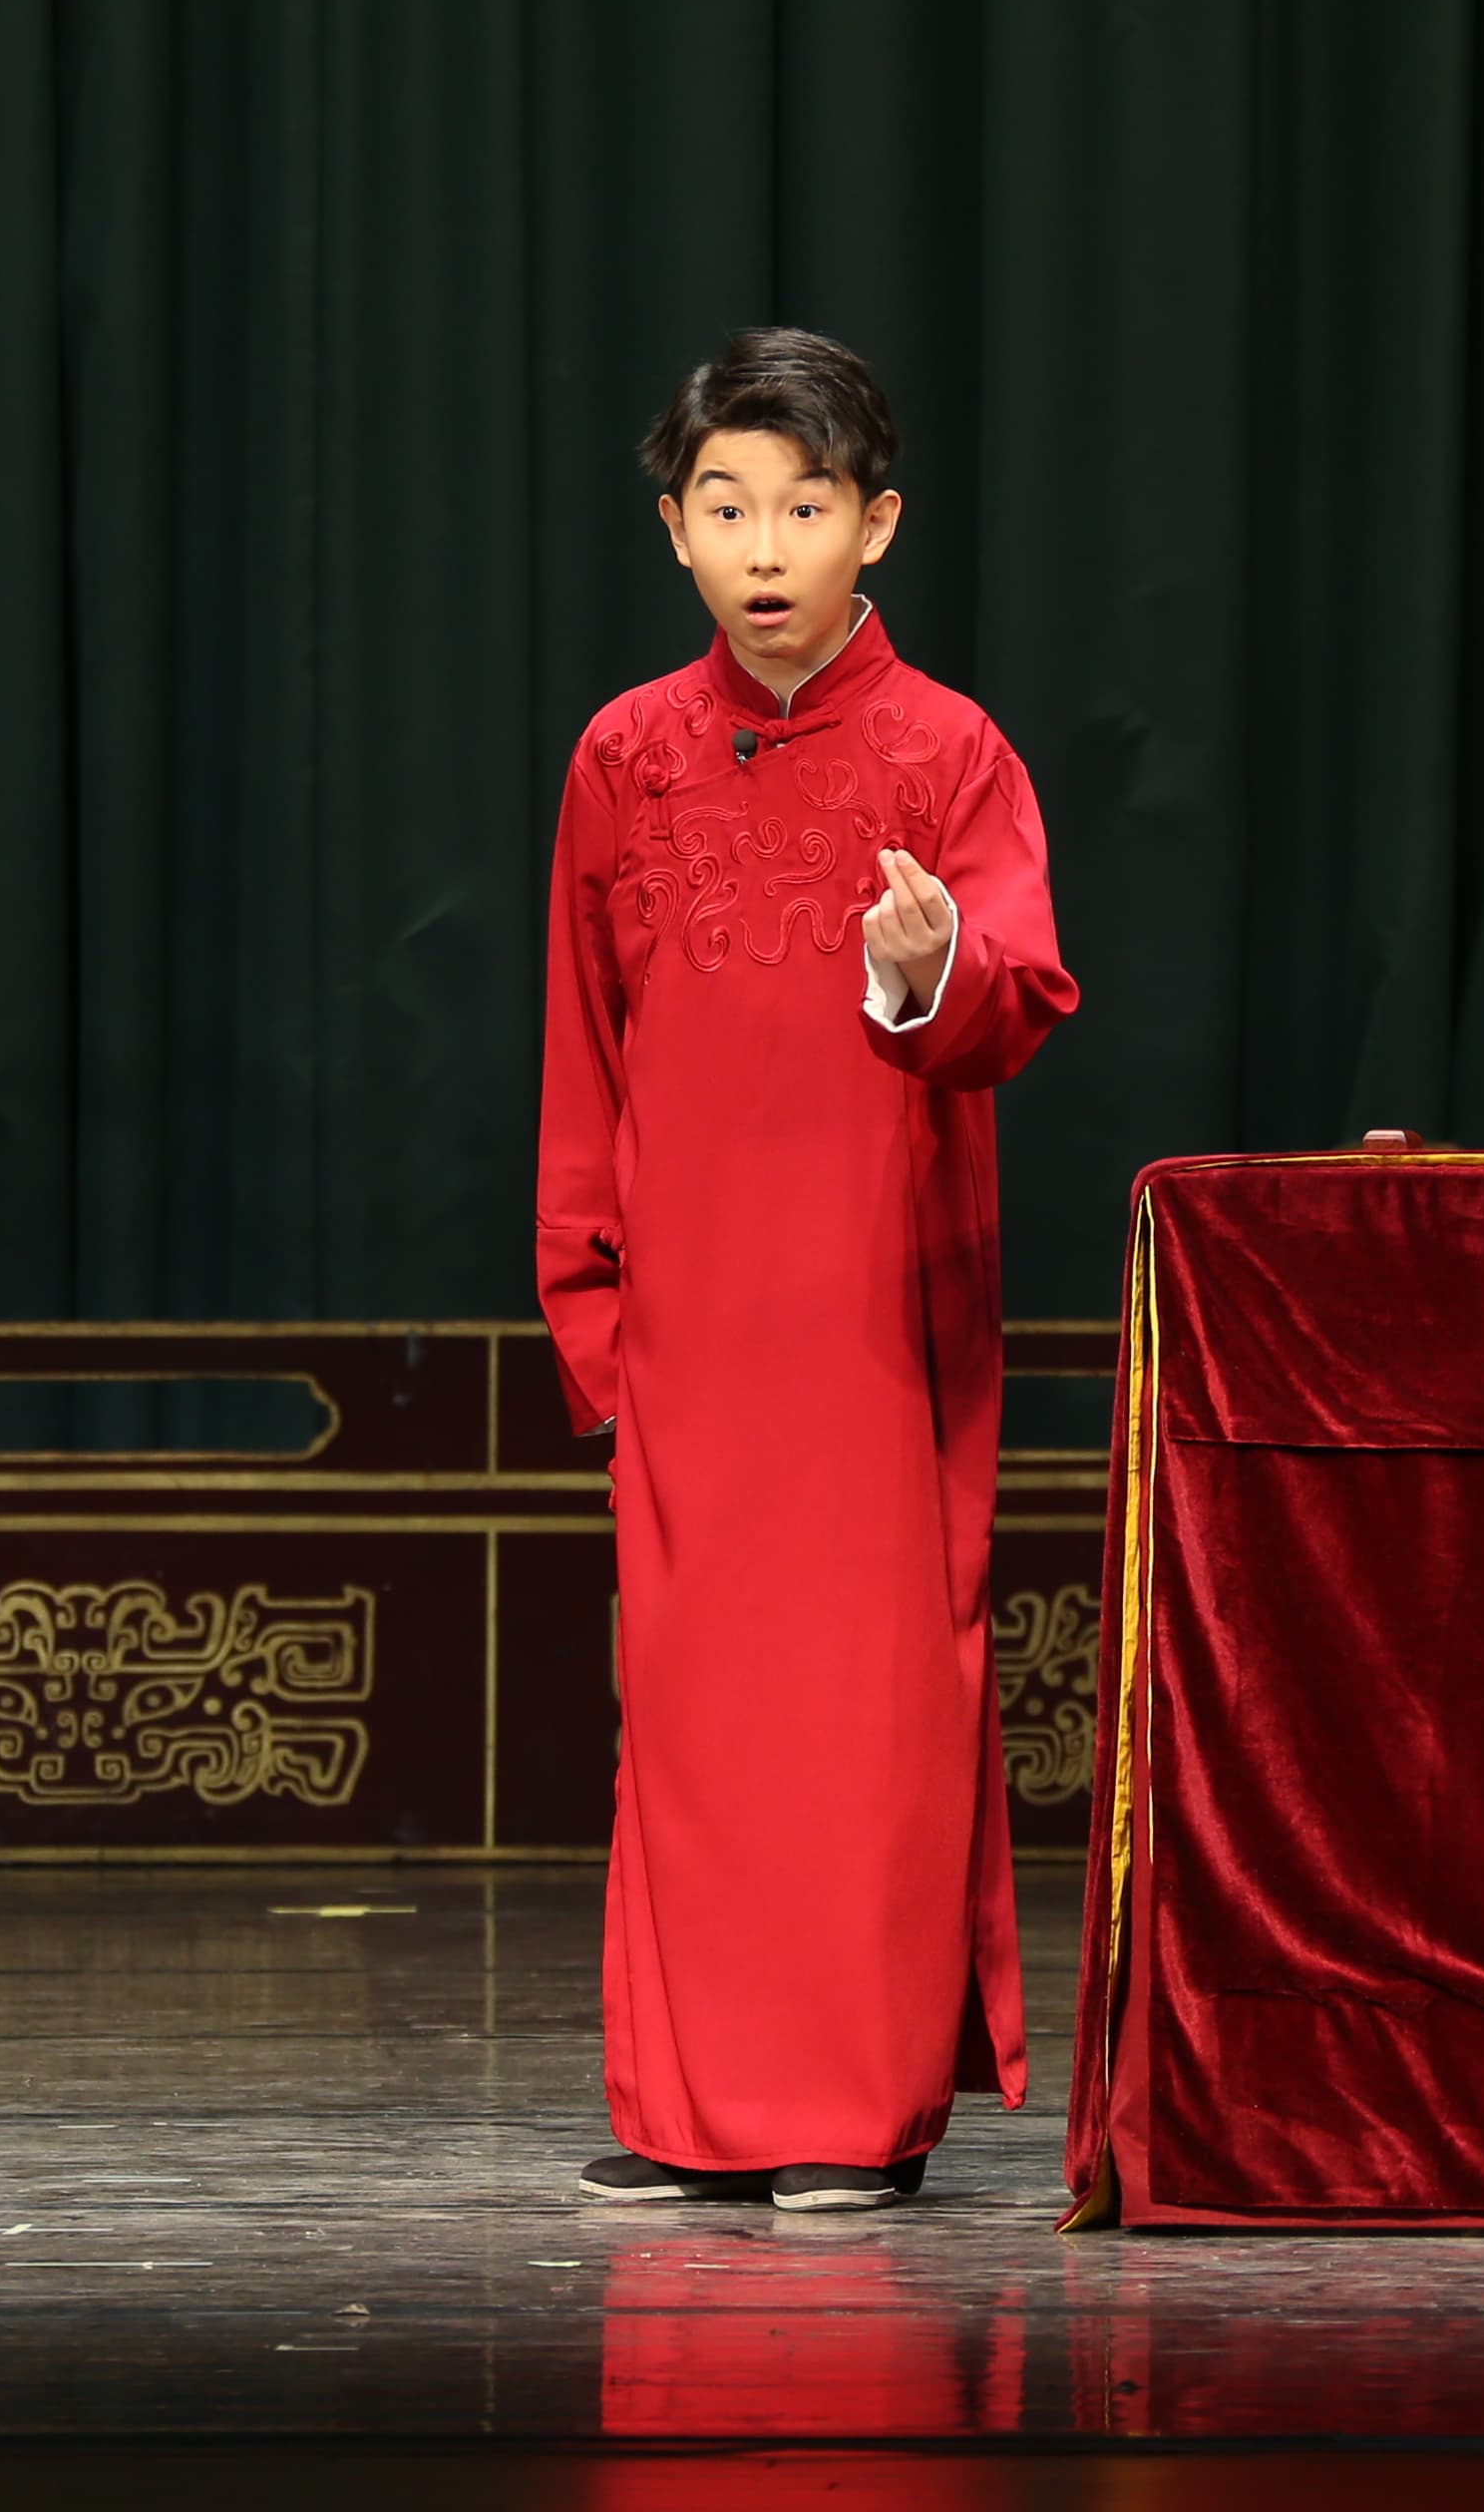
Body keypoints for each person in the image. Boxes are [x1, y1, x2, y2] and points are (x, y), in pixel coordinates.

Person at [536, 328, 1078, 2213]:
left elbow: (1014, 992)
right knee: (693, 1719)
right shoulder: (625, 755)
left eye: (805, 506)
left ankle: (850, 2113)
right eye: (726, 507)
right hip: (691, 1325)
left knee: (863, 1714)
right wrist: (594, 1315)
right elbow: (582, 1055)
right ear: (675, 530)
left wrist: (928, 972)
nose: (765, 548)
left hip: (870, 1318)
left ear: (878, 526)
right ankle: (697, 2116)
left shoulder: (949, 753)